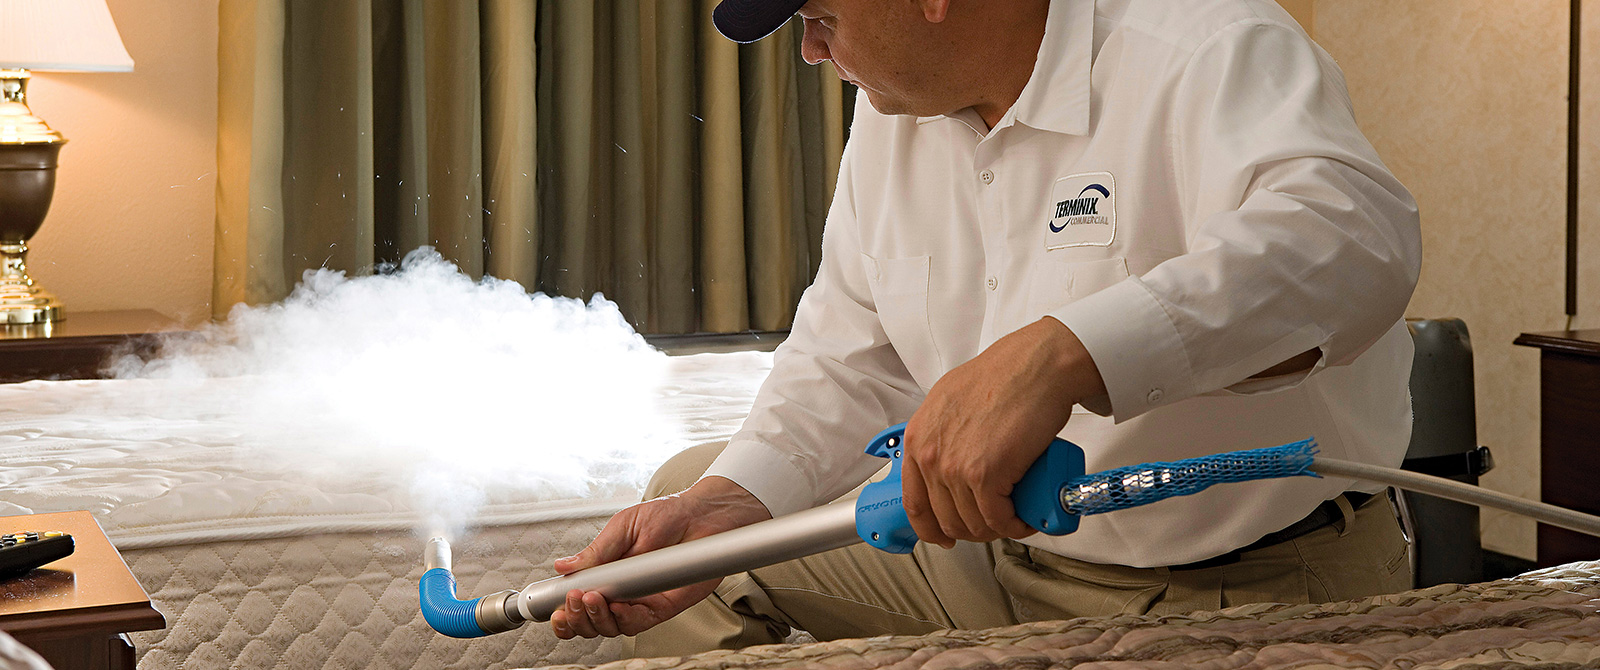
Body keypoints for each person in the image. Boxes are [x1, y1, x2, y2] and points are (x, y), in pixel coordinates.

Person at [552, 0, 1421, 654]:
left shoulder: (1205, 44)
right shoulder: (894, 112)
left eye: (821, 18)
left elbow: (1351, 240)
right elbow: (850, 354)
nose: (812, 50)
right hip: (999, 560)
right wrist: (726, 504)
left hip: (1236, 585)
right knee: (693, 527)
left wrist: (1064, 355)